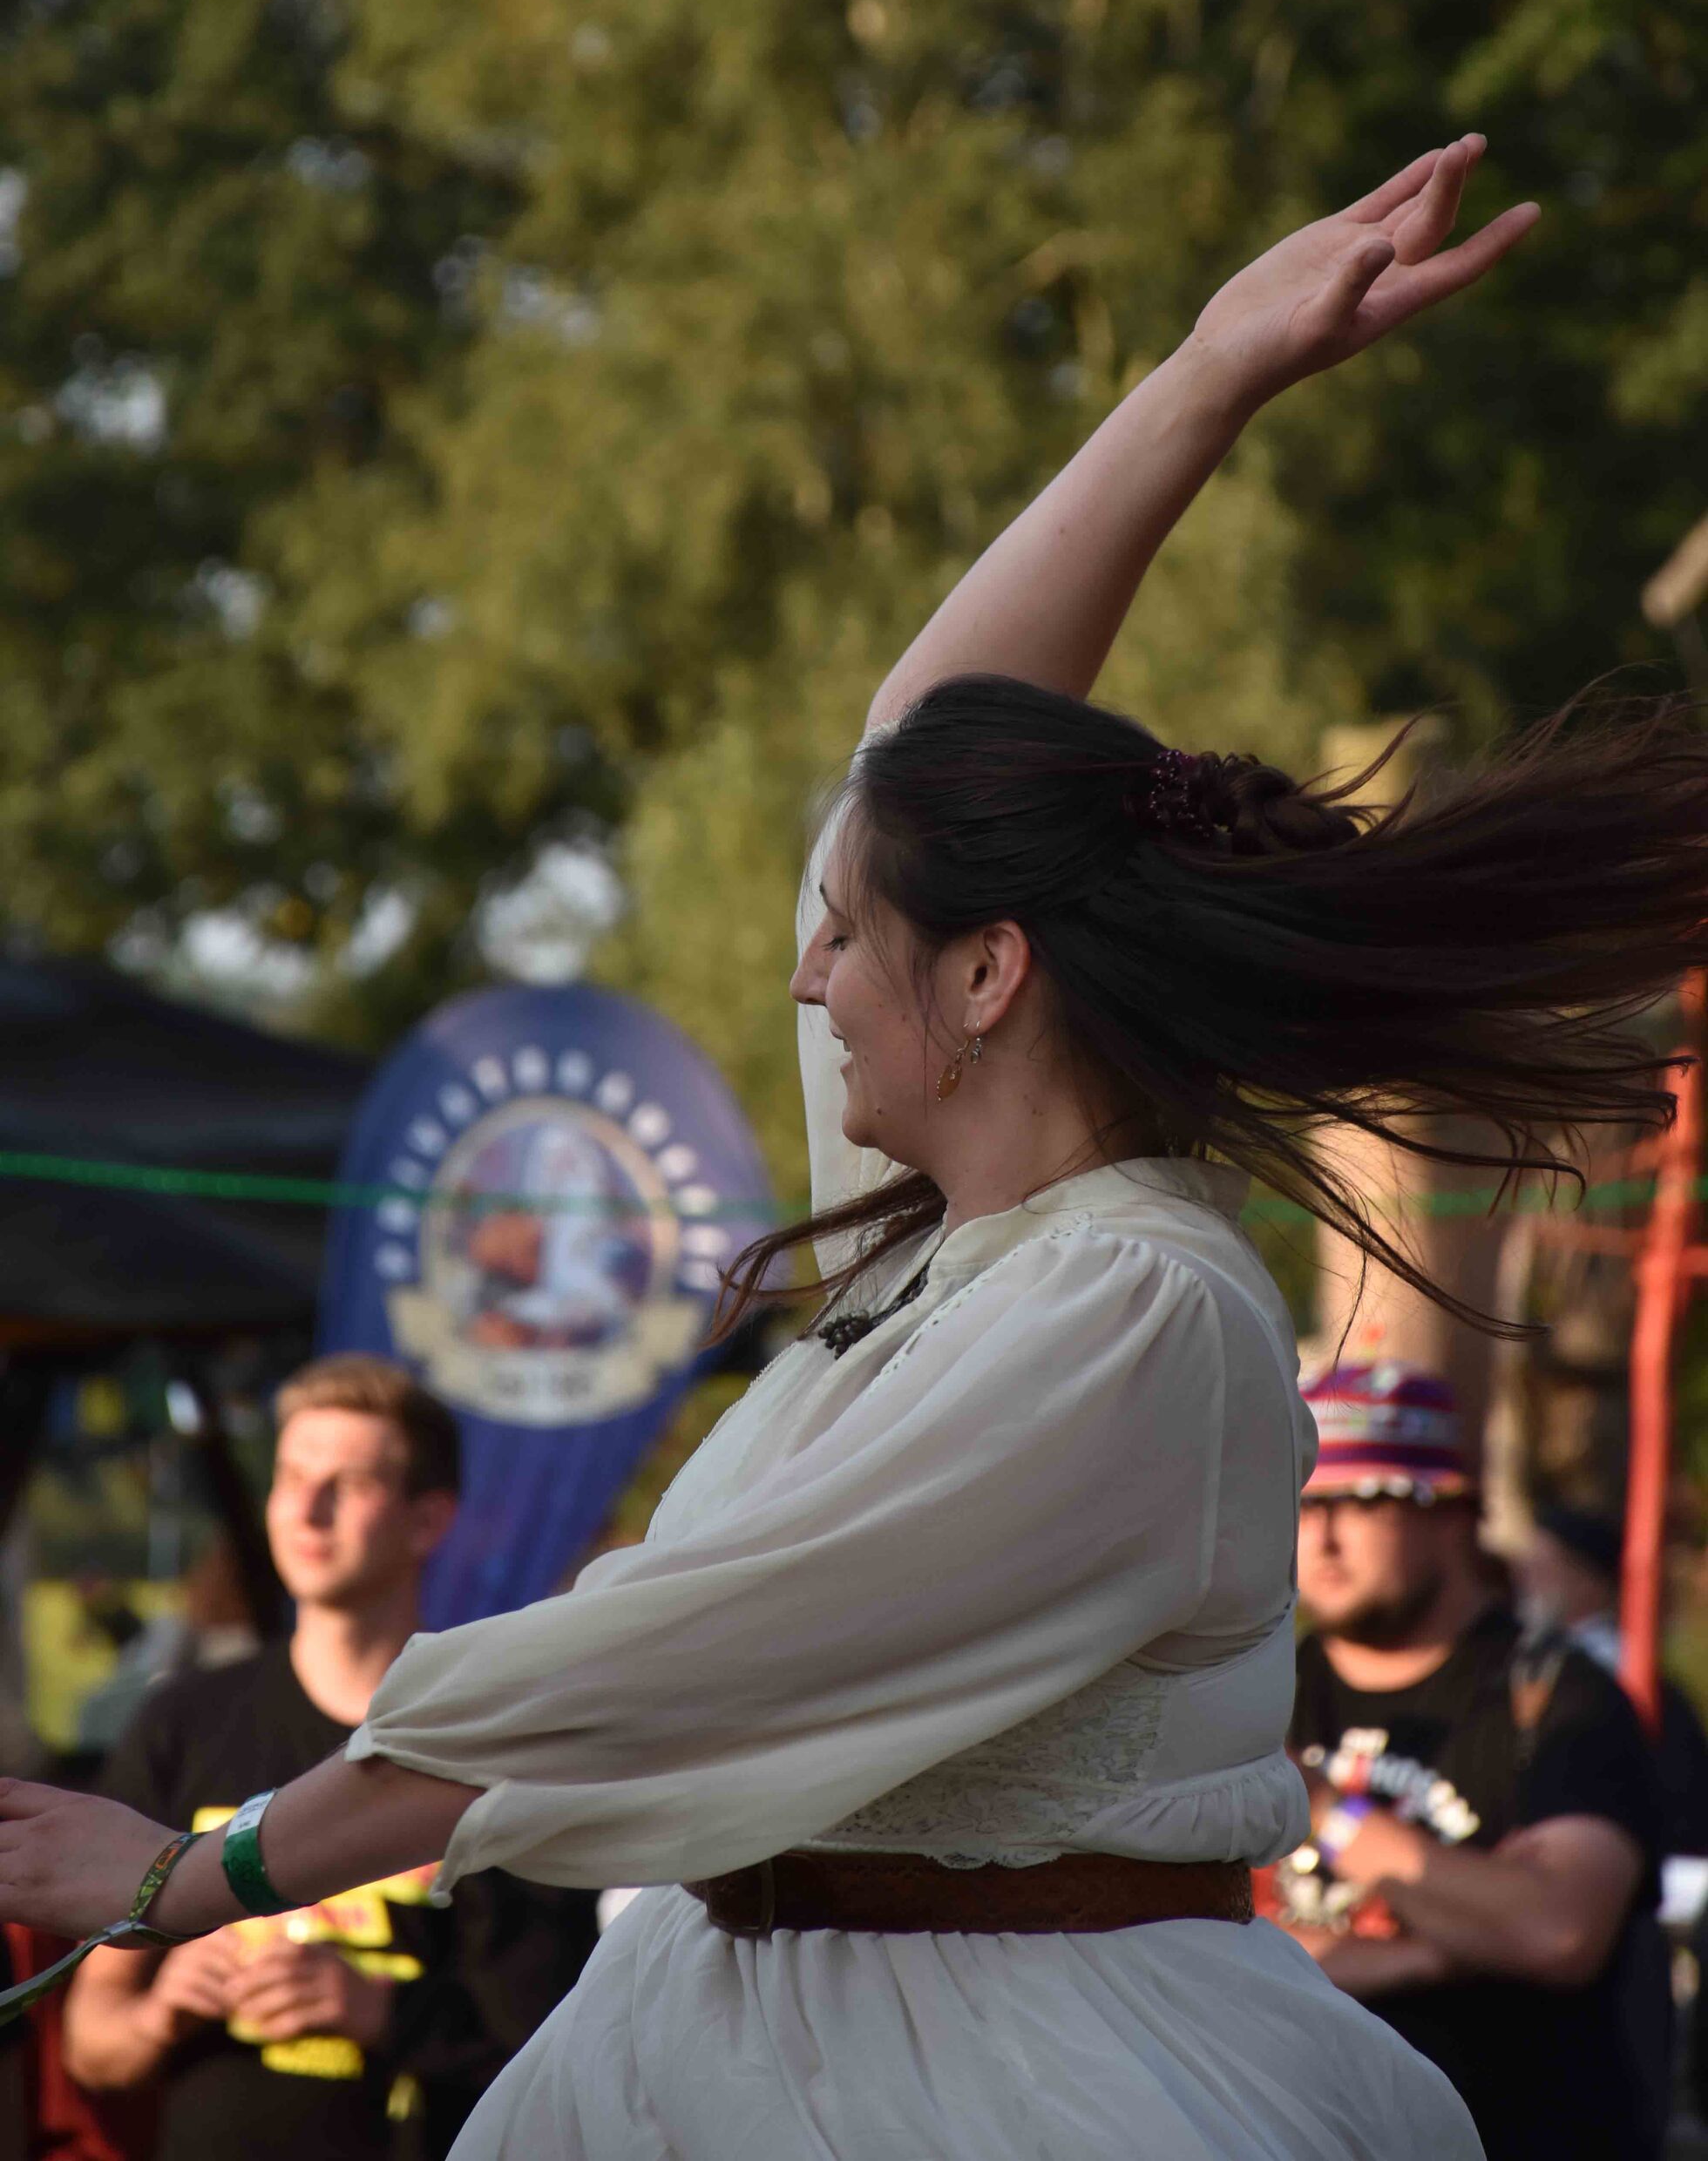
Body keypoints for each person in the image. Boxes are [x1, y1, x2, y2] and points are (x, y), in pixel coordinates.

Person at [5, 136, 1708, 2159]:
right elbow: (918, 734)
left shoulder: (1138, 1311)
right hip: (739, 2032)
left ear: (986, 976)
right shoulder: (939, 1250)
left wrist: (198, 1870)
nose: (805, 975)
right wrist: (1202, 377)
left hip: (1019, 2078)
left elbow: (691, 1654)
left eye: (840, 933)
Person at [58, 1355, 600, 2161]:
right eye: (291, 1478)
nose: (308, 1511)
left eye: (349, 1484)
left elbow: (561, 2052)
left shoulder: (487, 1743)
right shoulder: (182, 1722)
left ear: (427, 1521)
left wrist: (380, 2011)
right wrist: (160, 2012)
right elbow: (90, 2044)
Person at [1279, 1363, 1669, 2161]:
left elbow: (1557, 1931)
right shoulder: (1258, 1691)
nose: (1323, 1536)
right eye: (1304, 1501)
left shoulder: (1558, 1699)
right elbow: (1184, 1944)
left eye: (1366, 1498)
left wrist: (1325, 1813)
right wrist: (1438, 1949)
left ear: (1453, 1512)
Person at [1519, 1501, 1708, 1859]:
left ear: (1589, 1581)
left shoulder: (1617, 1673)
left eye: (1545, 1568)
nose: (1527, 1581)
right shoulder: (1534, 1661)